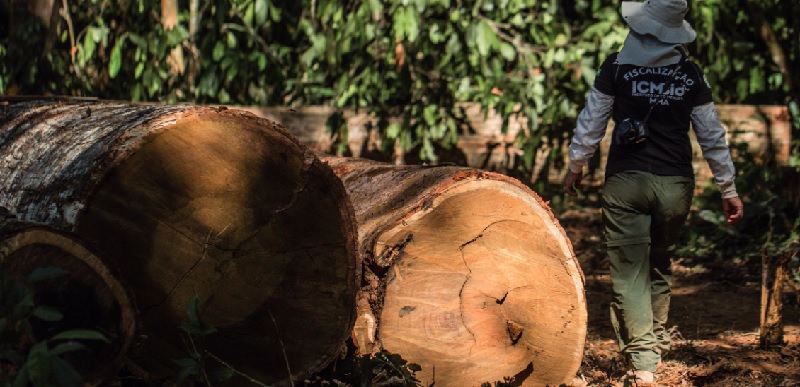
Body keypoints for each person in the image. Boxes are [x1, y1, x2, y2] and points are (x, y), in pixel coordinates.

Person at [563, 0, 744, 384]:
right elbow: (712, 135)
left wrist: (575, 167)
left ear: (640, 27)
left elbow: (591, 122)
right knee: (659, 263)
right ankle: (652, 343)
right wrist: (728, 188)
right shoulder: (692, 75)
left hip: (625, 183)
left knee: (630, 276)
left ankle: (644, 363)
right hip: (675, 185)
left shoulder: (615, 68)